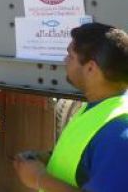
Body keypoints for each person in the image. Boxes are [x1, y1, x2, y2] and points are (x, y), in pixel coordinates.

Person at [14, 22, 128, 192]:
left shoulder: (118, 135)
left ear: (91, 68)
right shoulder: (100, 108)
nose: (65, 60)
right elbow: (87, 162)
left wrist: (39, 178)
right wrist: (47, 158)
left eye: (70, 56)